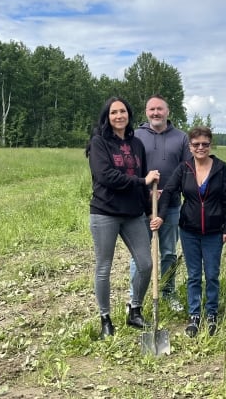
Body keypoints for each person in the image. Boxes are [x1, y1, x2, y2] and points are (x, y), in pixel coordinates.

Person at [86, 96, 160, 339]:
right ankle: (105, 318)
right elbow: (106, 176)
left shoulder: (136, 144)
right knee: (103, 267)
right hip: (105, 212)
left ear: (129, 115)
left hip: (133, 214)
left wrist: (149, 208)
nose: (119, 116)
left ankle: (134, 310)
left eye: (123, 112)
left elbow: (142, 182)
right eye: (114, 112)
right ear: (107, 117)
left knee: (146, 263)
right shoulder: (99, 142)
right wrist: (142, 180)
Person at [150, 126, 226, 337]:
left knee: (212, 275)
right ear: (190, 147)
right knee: (194, 275)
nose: (200, 148)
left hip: (214, 232)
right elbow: (168, 191)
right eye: (196, 144)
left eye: (205, 144)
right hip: (189, 230)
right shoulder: (184, 168)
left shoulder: (221, 168)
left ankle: (212, 314)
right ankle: (195, 315)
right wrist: (160, 215)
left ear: (210, 145)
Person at [128, 94, 191, 313]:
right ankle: (135, 299)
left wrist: (170, 190)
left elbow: (187, 170)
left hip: (171, 206)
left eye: (160, 109)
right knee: (140, 254)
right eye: (151, 109)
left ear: (167, 112)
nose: (156, 113)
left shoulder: (181, 138)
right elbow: (130, 170)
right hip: (141, 206)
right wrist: (143, 189)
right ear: (146, 112)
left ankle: (167, 292)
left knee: (168, 253)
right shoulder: (135, 137)